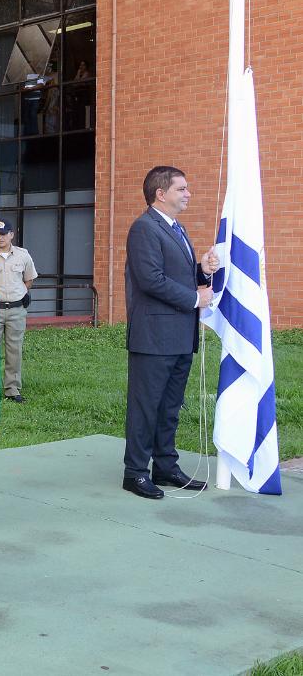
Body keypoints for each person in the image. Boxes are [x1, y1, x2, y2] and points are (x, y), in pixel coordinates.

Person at [123, 166, 220, 499]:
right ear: (160, 194)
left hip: (178, 335)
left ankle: (164, 466)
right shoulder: (144, 228)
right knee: (146, 406)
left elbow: (172, 273)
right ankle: (135, 472)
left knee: (169, 406)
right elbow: (150, 279)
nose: (188, 193)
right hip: (154, 337)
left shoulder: (176, 228)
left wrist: (200, 270)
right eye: (182, 189)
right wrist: (195, 298)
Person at [0, 220, 38, 403]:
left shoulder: (22, 255)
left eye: (4, 234)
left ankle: (12, 389)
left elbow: (28, 279)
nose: (0, 238)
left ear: (11, 234)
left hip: (16, 310)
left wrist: (22, 294)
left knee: (14, 350)